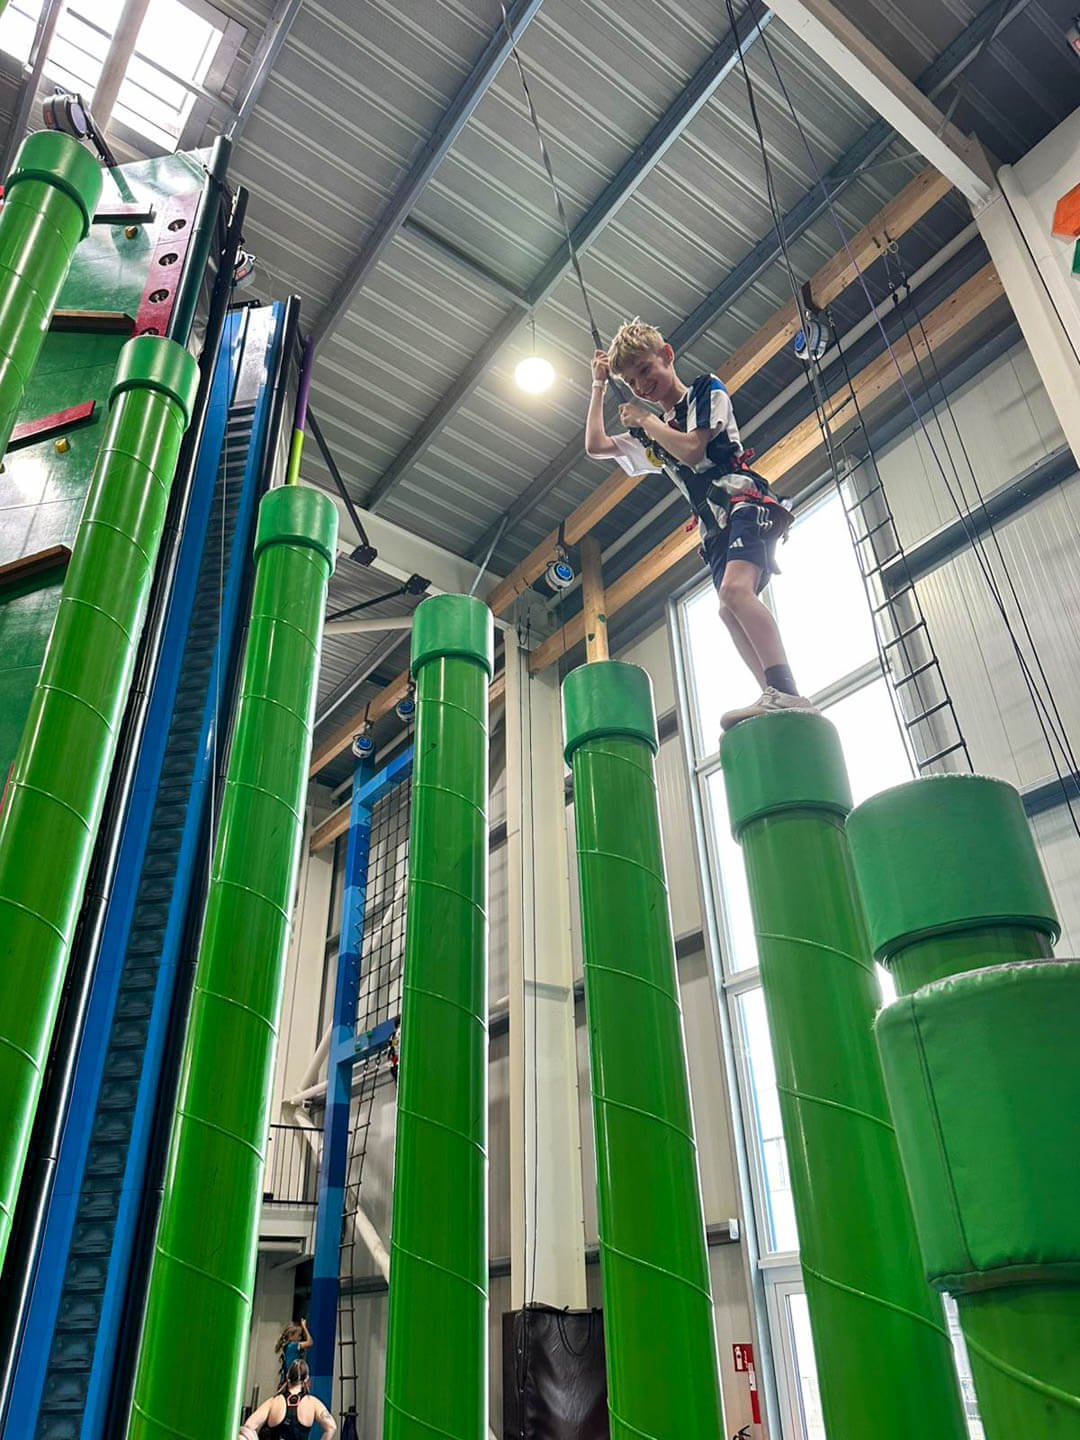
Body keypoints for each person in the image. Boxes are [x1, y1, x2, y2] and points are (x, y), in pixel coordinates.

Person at [585, 318, 815, 730]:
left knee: (735, 591)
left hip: (742, 502)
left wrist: (646, 421)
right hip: (714, 527)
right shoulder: (653, 435)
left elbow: (693, 450)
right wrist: (599, 385)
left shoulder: (705, 391)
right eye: (631, 381)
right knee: (728, 609)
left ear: (666, 355)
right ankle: (773, 694)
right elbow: (596, 446)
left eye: (645, 370)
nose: (641, 385)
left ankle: (786, 689)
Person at [239, 1361, 337, 1438]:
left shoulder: (273, 1402)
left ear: (287, 1377)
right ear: (306, 1379)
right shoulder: (313, 1403)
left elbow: (248, 1426)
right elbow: (331, 1427)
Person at [274, 1318, 313, 1383]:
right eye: (299, 1335)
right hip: (294, 1376)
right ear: (291, 1336)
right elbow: (310, 1342)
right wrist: (304, 1327)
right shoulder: (293, 1346)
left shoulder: (287, 1346)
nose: (300, 1338)